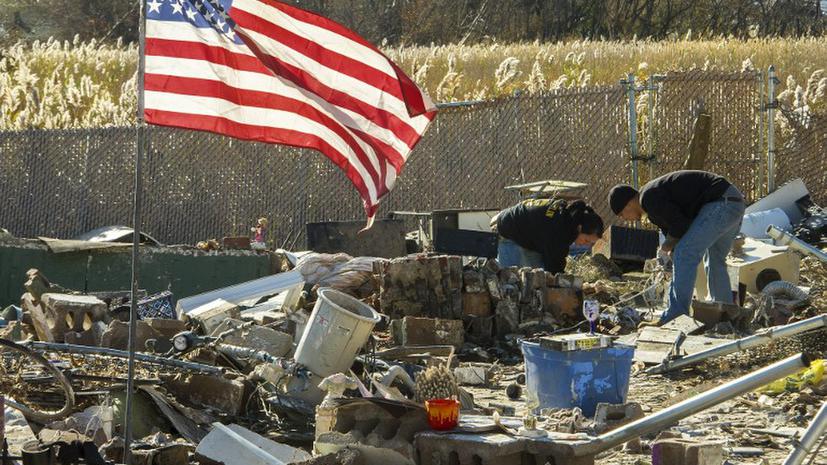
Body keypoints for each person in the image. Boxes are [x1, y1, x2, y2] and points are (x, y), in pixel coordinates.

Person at [608, 170, 745, 324]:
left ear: (628, 203)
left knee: (686, 253)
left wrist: (665, 248)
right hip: (734, 202)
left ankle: (676, 315)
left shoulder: (648, 198)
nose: (625, 220)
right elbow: (676, 233)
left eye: (621, 214)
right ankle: (724, 315)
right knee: (714, 259)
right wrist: (670, 254)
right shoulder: (653, 204)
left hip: (721, 204)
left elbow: (681, 226)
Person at [494, 198, 604, 273]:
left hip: (524, 231)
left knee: (537, 277)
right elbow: (554, 268)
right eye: (586, 240)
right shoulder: (559, 228)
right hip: (509, 233)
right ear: (579, 228)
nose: (586, 245)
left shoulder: (566, 219)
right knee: (519, 283)